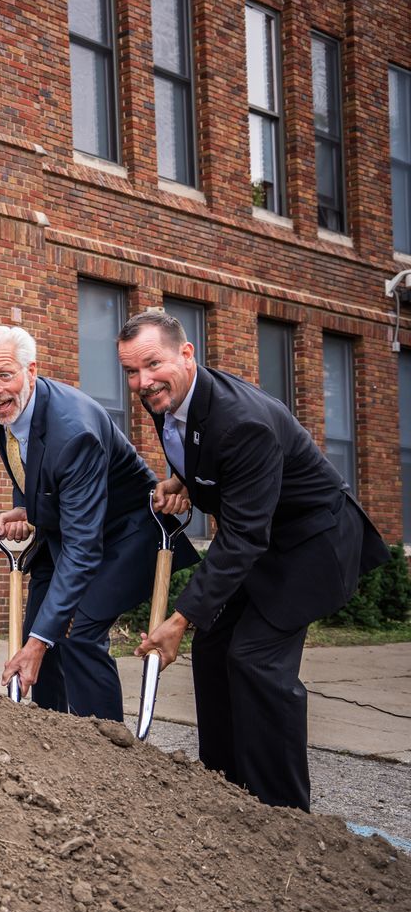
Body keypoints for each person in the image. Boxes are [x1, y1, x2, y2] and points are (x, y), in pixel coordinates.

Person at [119, 311, 389, 811]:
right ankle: (226, 788)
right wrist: (184, 481)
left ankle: (281, 812)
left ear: (186, 354)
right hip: (265, 541)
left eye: (152, 364)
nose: (142, 382)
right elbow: (208, 463)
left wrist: (180, 618)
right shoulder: (169, 399)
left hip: (312, 544)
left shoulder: (242, 422)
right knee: (215, 648)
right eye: (131, 372)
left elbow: (242, 536)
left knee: (256, 659)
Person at [0, 324, 196, 719]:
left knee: (76, 634)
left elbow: (83, 547)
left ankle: (106, 748)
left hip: (126, 534)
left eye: (5, 375)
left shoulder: (75, 433)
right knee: (38, 632)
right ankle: (53, 737)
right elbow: (24, 455)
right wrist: (26, 504)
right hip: (64, 530)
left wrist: (42, 641)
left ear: (32, 371)